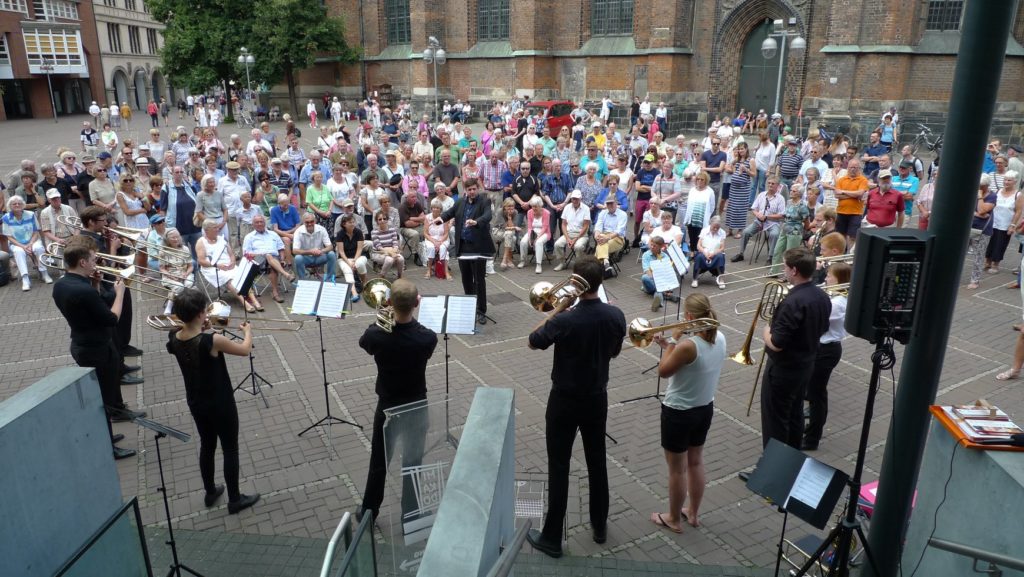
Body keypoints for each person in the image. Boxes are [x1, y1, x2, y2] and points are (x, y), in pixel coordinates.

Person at [526, 256, 627, 558]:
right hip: (597, 397)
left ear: (575, 282)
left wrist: (557, 310)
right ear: (601, 282)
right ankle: (599, 526)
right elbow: (615, 352)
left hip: (565, 400)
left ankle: (552, 538)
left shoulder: (565, 319)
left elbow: (532, 341)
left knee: (559, 465)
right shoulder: (616, 315)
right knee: (597, 461)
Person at [166, 288, 260, 514]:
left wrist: (201, 327)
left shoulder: (174, 336)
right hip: (220, 402)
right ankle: (235, 499)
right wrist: (248, 331)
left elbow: (182, 342)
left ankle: (210, 491)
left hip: (196, 402)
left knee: (207, 445)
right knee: (230, 448)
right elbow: (244, 350)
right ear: (200, 313)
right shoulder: (212, 340)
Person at [52, 236, 145, 460]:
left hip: (85, 344)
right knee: (103, 400)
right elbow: (112, 318)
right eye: (93, 259)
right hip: (96, 349)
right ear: (82, 262)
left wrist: (95, 284)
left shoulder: (63, 284)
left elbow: (87, 308)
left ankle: (107, 435)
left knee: (106, 395)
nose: (97, 262)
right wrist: (120, 292)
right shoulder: (82, 291)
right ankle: (108, 447)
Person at [357, 279, 437, 523]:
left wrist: (384, 316)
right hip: (416, 405)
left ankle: (369, 513)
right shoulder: (427, 337)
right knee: (413, 462)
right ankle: (411, 515)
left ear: (390, 302)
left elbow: (364, 343)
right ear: (416, 303)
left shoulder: (376, 334)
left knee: (379, 462)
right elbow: (419, 336)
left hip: (387, 406)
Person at [744, 248, 830, 465]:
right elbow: (823, 328)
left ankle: (772, 469)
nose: (783, 269)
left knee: (775, 420)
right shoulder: (822, 296)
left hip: (783, 369)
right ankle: (792, 462)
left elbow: (777, 343)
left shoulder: (792, 302)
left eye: (784, 266)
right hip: (805, 365)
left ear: (793, 270)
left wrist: (766, 331)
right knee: (794, 415)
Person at [649, 293, 725, 533]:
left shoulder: (687, 345)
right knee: (695, 462)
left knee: (677, 469)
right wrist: (668, 345)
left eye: (684, 315)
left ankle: (673, 518)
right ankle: (693, 512)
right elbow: (688, 363)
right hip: (704, 408)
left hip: (679, 412)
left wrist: (672, 340)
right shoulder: (720, 337)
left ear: (690, 316)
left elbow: (663, 371)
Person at [802, 262, 851, 451]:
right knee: (814, 393)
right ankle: (810, 430)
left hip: (826, 351)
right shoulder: (835, 297)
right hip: (822, 348)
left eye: (829, 276)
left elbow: (813, 317)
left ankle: (812, 438)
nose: (826, 278)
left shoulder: (837, 303)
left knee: (816, 395)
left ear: (839, 280)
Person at [437, 178, 494, 324]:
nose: (472, 192)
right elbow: (449, 213)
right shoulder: (460, 202)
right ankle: (470, 307)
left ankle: (481, 310)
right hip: (463, 247)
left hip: (478, 246)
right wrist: (439, 219)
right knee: (466, 279)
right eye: (469, 190)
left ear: (477, 188)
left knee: (479, 280)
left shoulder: (484, 201)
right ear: (465, 190)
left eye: (474, 189)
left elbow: (488, 215)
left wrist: (477, 222)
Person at [2, 196, 51, 291]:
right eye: (14, 204)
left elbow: (36, 232)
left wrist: (30, 243)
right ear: (10, 206)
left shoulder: (31, 214)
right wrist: (23, 246)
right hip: (17, 244)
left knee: (39, 248)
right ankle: (25, 278)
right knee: (19, 252)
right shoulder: (6, 218)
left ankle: (44, 273)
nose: (17, 205)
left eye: (19, 203)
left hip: (33, 241)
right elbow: (9, 237)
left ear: (23, 205)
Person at [293, 212, 337, 281]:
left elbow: (330, 246)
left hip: (319, 256)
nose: (310, 224)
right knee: (298, 258)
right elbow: (295, 250)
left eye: (312, 221)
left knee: (331, 254)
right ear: (303, 222)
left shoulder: (322, 229)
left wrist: (321, 251)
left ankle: (330, 280)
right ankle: (303, 281)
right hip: (306, 258)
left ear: (315, 221)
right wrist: (310, 251)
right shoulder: (298, 231)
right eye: (307, 222)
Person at [641, 236, 676, 311]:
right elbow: (647, 270)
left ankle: (659, 300)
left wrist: (669, 287)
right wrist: (659, 281)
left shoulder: (665, 256)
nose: (652, 247)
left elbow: (669, 273)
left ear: (661, 246)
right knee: (644, 277)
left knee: (658, 290)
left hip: (662, 282)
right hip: (651, 280)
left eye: (655, 246)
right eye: (651, 245)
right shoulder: (646, 255)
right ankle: (665, 294)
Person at [692, 216, 727, 289]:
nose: (715, 229)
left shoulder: (722, 232)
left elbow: (722, 248)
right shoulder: (704, 230)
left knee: (720, 257)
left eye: (717, 228)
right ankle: (695, 278)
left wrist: (714, 253)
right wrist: (705, 252)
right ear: (710, 224)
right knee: (699, 257)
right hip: (704, 251)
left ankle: (721, 278)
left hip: (715, 252)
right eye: (714, 227)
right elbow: (698, 245)